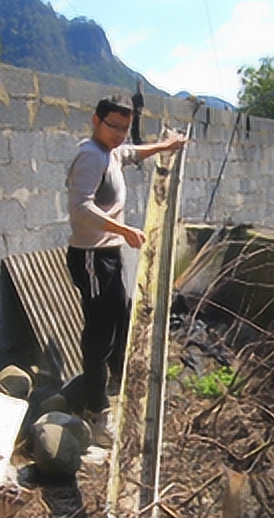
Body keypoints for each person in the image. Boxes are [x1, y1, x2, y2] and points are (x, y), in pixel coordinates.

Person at [66, 96, 187, 443]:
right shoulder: (90, 156)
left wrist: (166, 145)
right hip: (91, 257)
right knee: (99, 334)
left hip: (108, 254)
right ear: (96, 120)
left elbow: (132, 153)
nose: (119, 134)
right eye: (112, 126)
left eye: (124, 128)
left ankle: (118, 383)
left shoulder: (111, 152)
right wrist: (123, 230)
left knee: (120, 316)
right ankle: (95, 411)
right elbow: (80, 207)